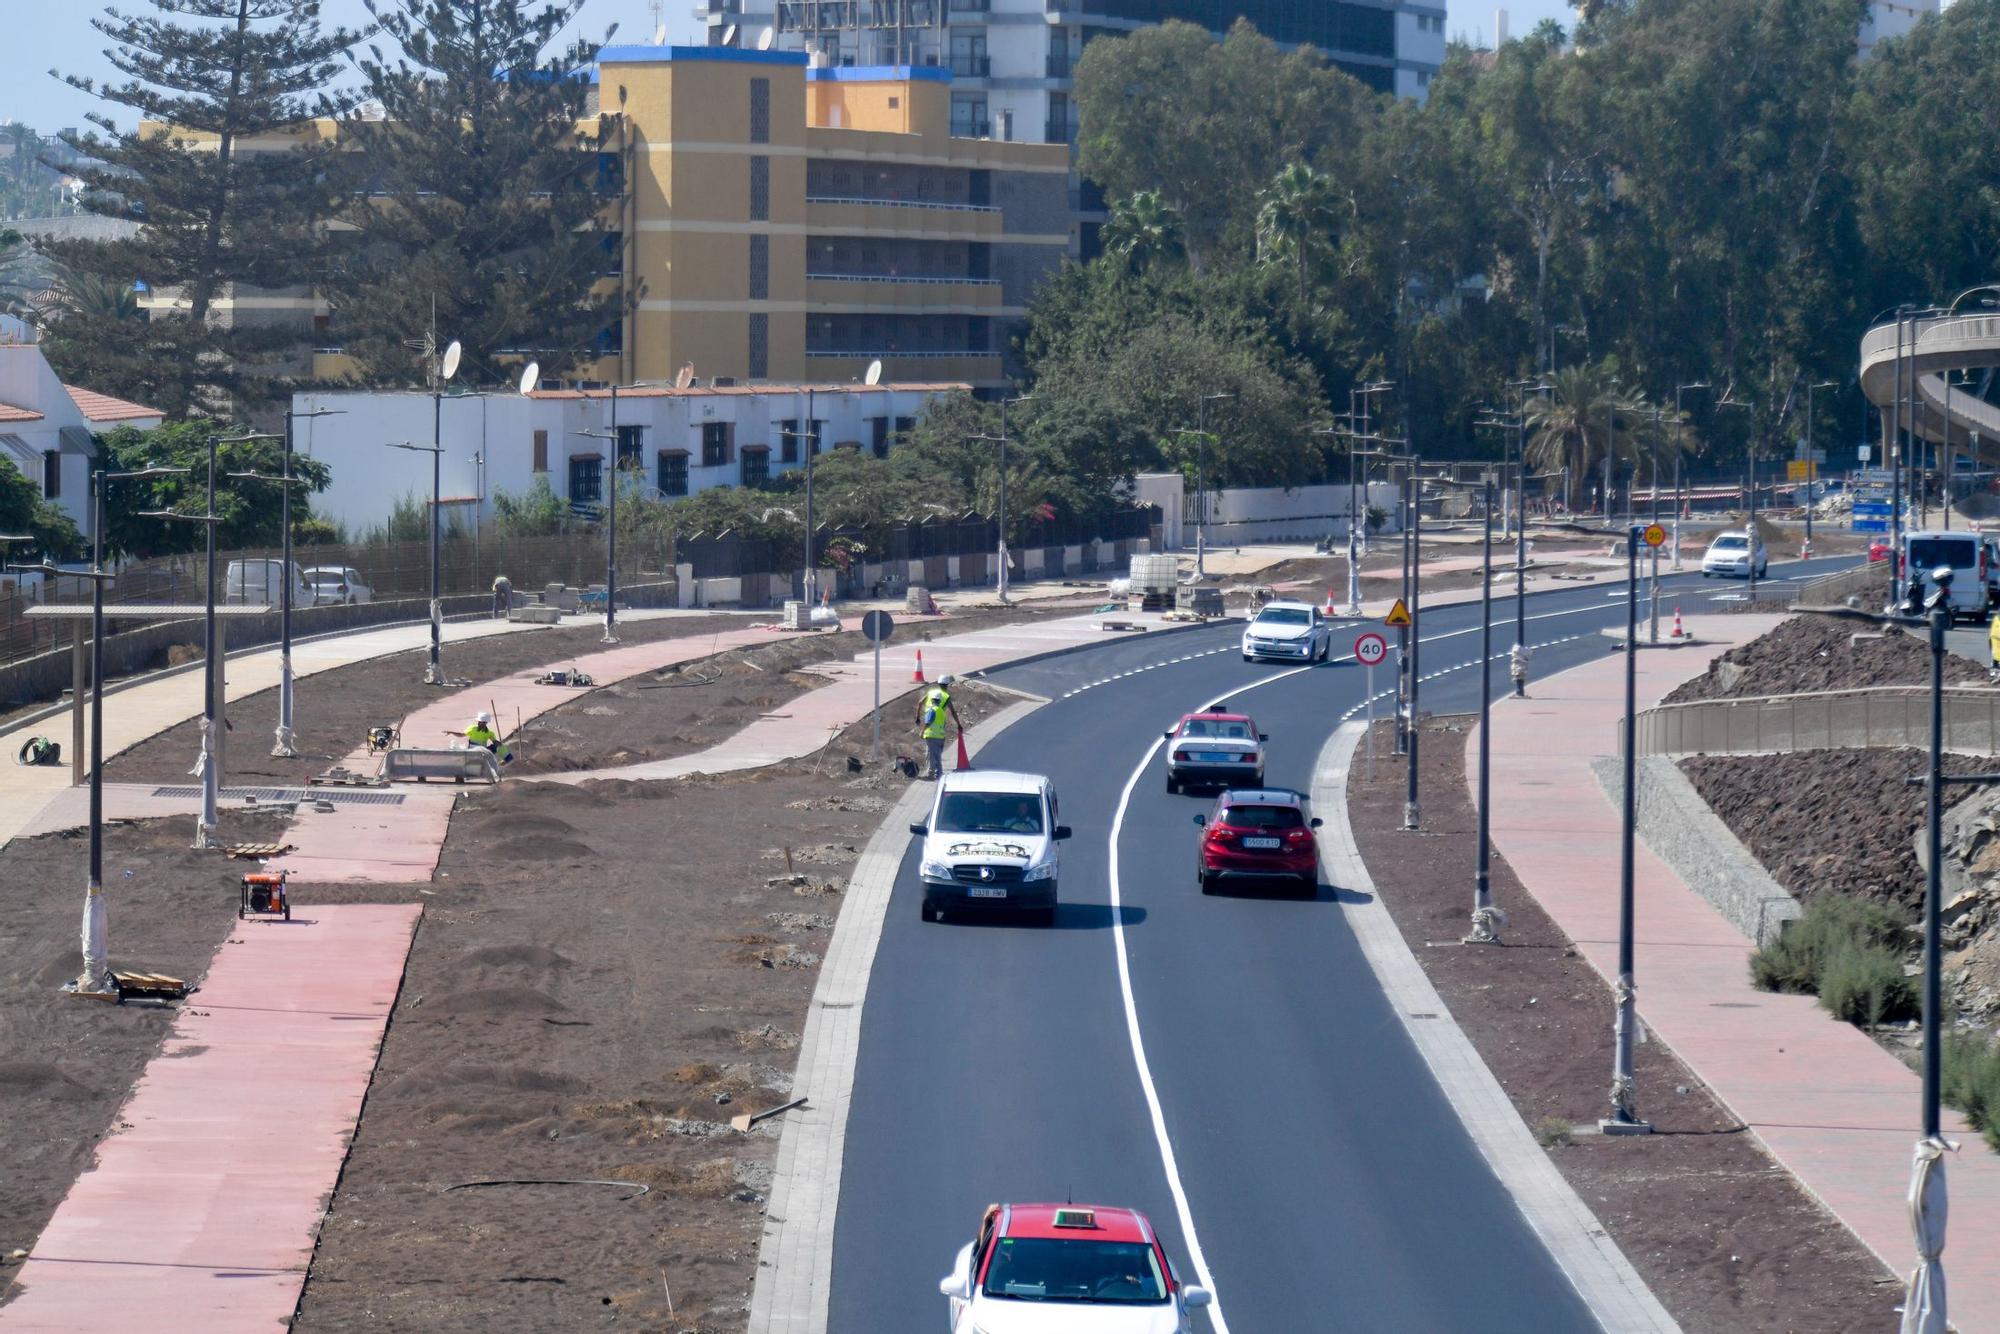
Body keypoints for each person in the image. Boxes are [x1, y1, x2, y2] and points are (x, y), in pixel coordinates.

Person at [917, 674, 962, 780]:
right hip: (940, 734)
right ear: (947, 685)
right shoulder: (942, 708)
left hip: (930, 731)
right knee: (937, 755)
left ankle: (932, 774)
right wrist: (959, 725)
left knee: (931, 755)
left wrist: (919, 721)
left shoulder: (931, 693)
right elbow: (953, 712)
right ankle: (939, 773)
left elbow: (920, 704)